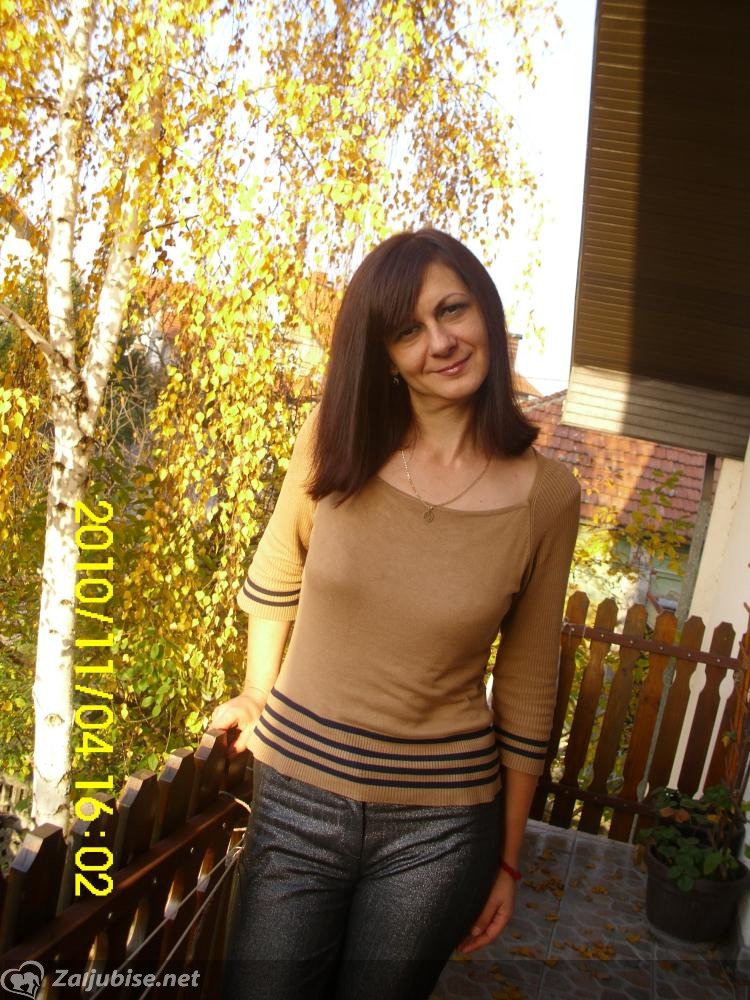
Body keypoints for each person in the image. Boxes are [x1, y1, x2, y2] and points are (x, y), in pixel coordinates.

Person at [214, 228, 580, 1000]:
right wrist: (255, 689)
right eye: (408, 330)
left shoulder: (548, 497)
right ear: (383, 355)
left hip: (439, 832)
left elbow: (525, 686)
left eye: (453, 310)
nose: (440, 342)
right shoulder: (333, 437)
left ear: (487, 313)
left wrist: (508, 860)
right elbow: (279, 569)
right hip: (298, 799)